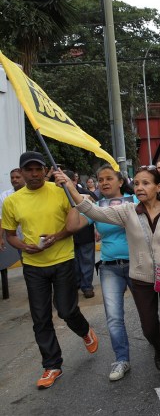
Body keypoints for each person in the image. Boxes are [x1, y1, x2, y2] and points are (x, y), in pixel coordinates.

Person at [54, 166, 160, 402]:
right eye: (138, 184)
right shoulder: (127, 211)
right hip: (141, 280)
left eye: (146, 183)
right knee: (150, 328)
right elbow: (91, 209)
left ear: (159, 187)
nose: (140, 187)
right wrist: (70, 185)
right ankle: (159, 350)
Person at [1, 152, 99, 390]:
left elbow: (74, 224)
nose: (34, 174)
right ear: (21, 172)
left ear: (45, 171)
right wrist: (24, 246)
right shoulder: (12, 201)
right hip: (33, 266)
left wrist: (58, 236)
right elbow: (10, 235)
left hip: (63, 259)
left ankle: (85, 330)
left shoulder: (60, 191)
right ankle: (52, 365)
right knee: (40, 317)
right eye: (29, 170)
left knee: (66, 310)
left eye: (38, 169)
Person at [66, 165, 135, 381]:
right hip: (109, 267)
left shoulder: (136, 199)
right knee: (114, 318)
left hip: (138, 265)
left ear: (120, 181)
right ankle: (121, 359)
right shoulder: (94, 206)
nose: (104, 183)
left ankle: (159, 347)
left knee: (148, 314)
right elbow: (72, 226)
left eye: (108, 179)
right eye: (100, 180)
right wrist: (74, 201)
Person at [65, 169, 97, 299]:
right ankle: (76, 285)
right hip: (67, 236)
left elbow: (97, 211)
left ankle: (87, 287)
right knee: (73, 263)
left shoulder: (86, 194)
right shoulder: (58, 196)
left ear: (74, 180)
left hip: (85, 234)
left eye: (67, 181)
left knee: (87, 261)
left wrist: (97, 229)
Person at [0, 168, 25, 251]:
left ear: (24, 177)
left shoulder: (33, 192)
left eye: (18, 177)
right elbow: (2, 217)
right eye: (12, 178)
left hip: (38, 235)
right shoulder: (5, 195)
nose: (14, 180)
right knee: (25, 261)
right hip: (20, 240)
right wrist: (0, 237)